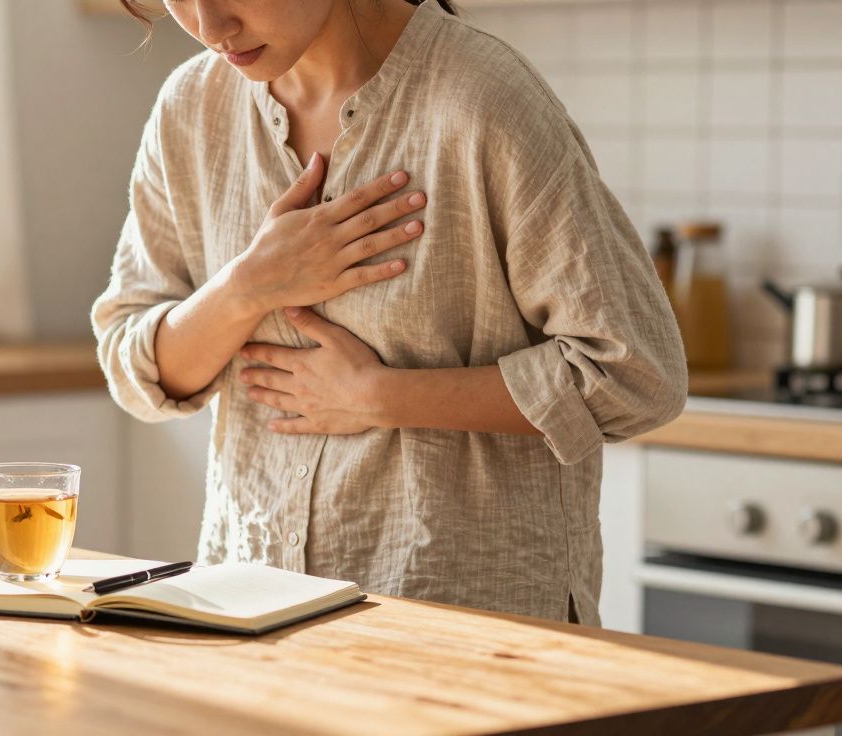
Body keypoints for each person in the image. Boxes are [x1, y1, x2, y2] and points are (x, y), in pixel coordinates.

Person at [91, 0, 686, 625]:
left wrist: (381, 396)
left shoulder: (482, 99)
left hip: (464, 625)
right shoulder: (191, 108)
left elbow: (634, 377)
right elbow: (135, 371)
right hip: (249, 610)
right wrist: (249, 284)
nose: (210, 27)